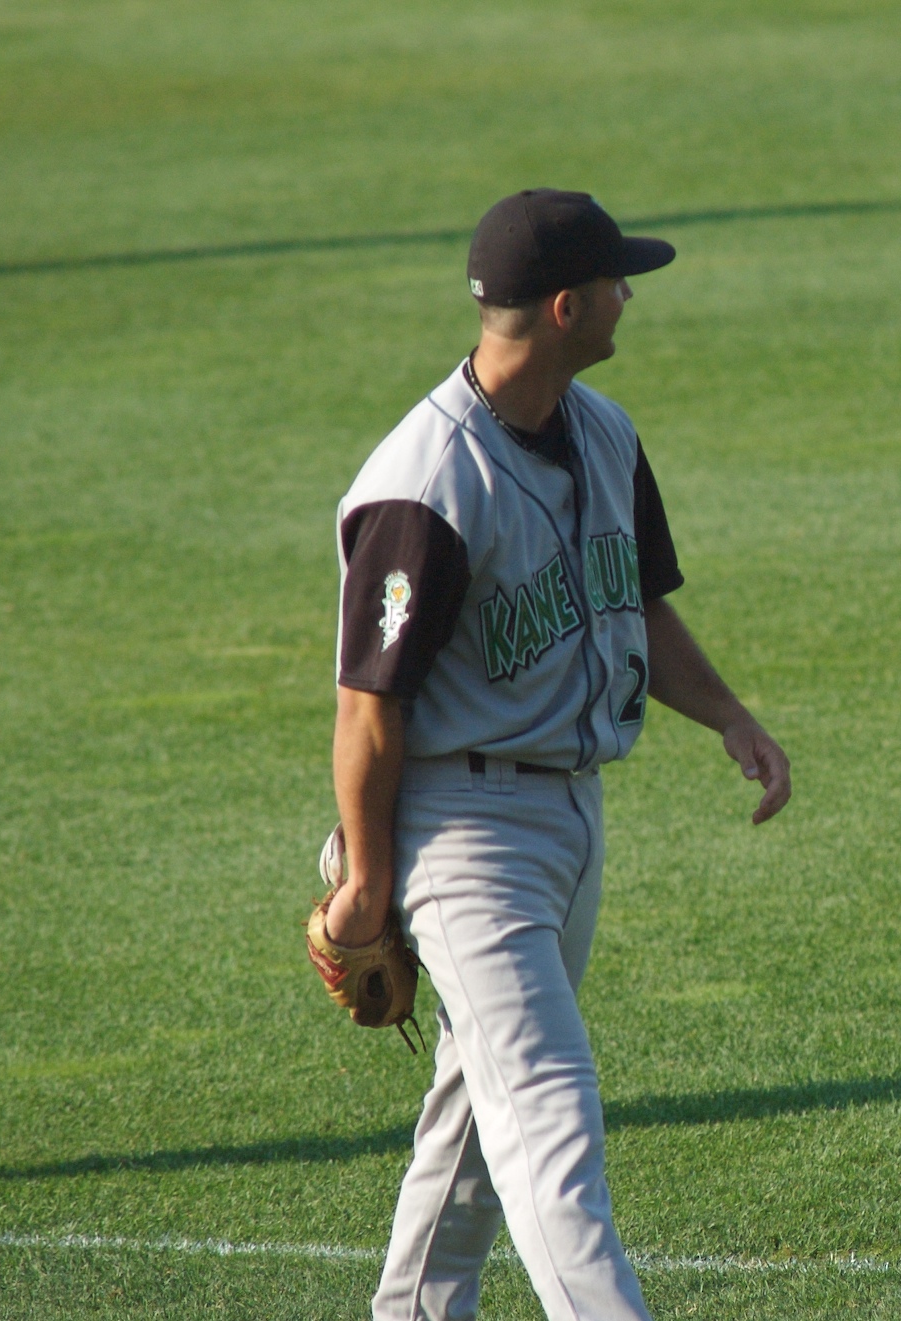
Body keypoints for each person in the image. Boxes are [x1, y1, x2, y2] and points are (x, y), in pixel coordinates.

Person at [322, 189, 792, 1321]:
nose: (635, 291)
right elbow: (366, 711)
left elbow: (634, 602)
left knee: (481, 1125)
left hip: (571, 820)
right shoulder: (424, 482)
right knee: (548, 1110)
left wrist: (727, 713)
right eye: (620, 279)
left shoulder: (603, 429)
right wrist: (375, 880)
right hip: (463, 833)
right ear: (568, 306)